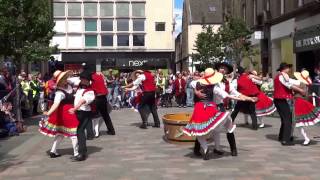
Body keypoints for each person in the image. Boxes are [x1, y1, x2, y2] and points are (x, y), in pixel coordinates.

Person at [183, 68, 236, 160]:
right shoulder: (214, 87)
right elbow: (226, 95)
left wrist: (196, 91)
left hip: (200, 108)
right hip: (211, 107)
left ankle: (206, 148)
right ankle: (209, 148)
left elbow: (191, 84)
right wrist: (244, 99)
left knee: (199, 132)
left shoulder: (197, 83)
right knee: (211, 128)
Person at [39, 70, 79, 159]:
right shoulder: (59, 92)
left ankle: (53, 151)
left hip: (69, 111)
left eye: (65, 77)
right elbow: (55, 104)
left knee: (60, 133)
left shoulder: (68, 84)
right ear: (59, 81)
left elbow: (78, 80)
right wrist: (48, 113)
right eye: (63, 78)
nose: (65, 79)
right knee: (74, 133)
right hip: (66, 113)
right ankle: (76, 153)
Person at [273, 63, 305, 146]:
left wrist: (303, 81)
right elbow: (289, 85)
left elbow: (292, 82)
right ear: (284, 68)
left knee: (285, 119)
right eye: (288, 68)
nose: (289, 69)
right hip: (281, 100)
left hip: (279, 100)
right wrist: (301, 90)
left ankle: (282, 137)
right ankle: (285, 140)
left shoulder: (281, 76)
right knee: (288, 120)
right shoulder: (282, 76)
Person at [69, 70, 95, 161]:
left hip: (84, 113)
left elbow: (83, 101)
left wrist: (75, 108)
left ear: (88, 80)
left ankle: (82, 154)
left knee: (80, 131)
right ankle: (82, 151)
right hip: (78, 112)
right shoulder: (80, 86)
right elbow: (69, 80)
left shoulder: (90, 91)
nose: (82, 80)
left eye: (84, 79)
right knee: (78, 132)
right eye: (82, 79)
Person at [293, 70, 320, 145]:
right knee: (298, 123)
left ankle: (306, 138)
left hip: (299, 103)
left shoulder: (301, 83)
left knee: (298, 123)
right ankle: (304, 138)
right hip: (300, 102)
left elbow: (303, 93)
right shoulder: (304, 83)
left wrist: (293, 88)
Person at [91, 70, 115, 137]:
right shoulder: (100, 77)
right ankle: (111, 130)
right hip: (103, 97)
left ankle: (93, 132)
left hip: (96, 98)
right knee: (106, 116)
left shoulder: (90, 77)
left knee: (94, 116)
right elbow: (105, 87)